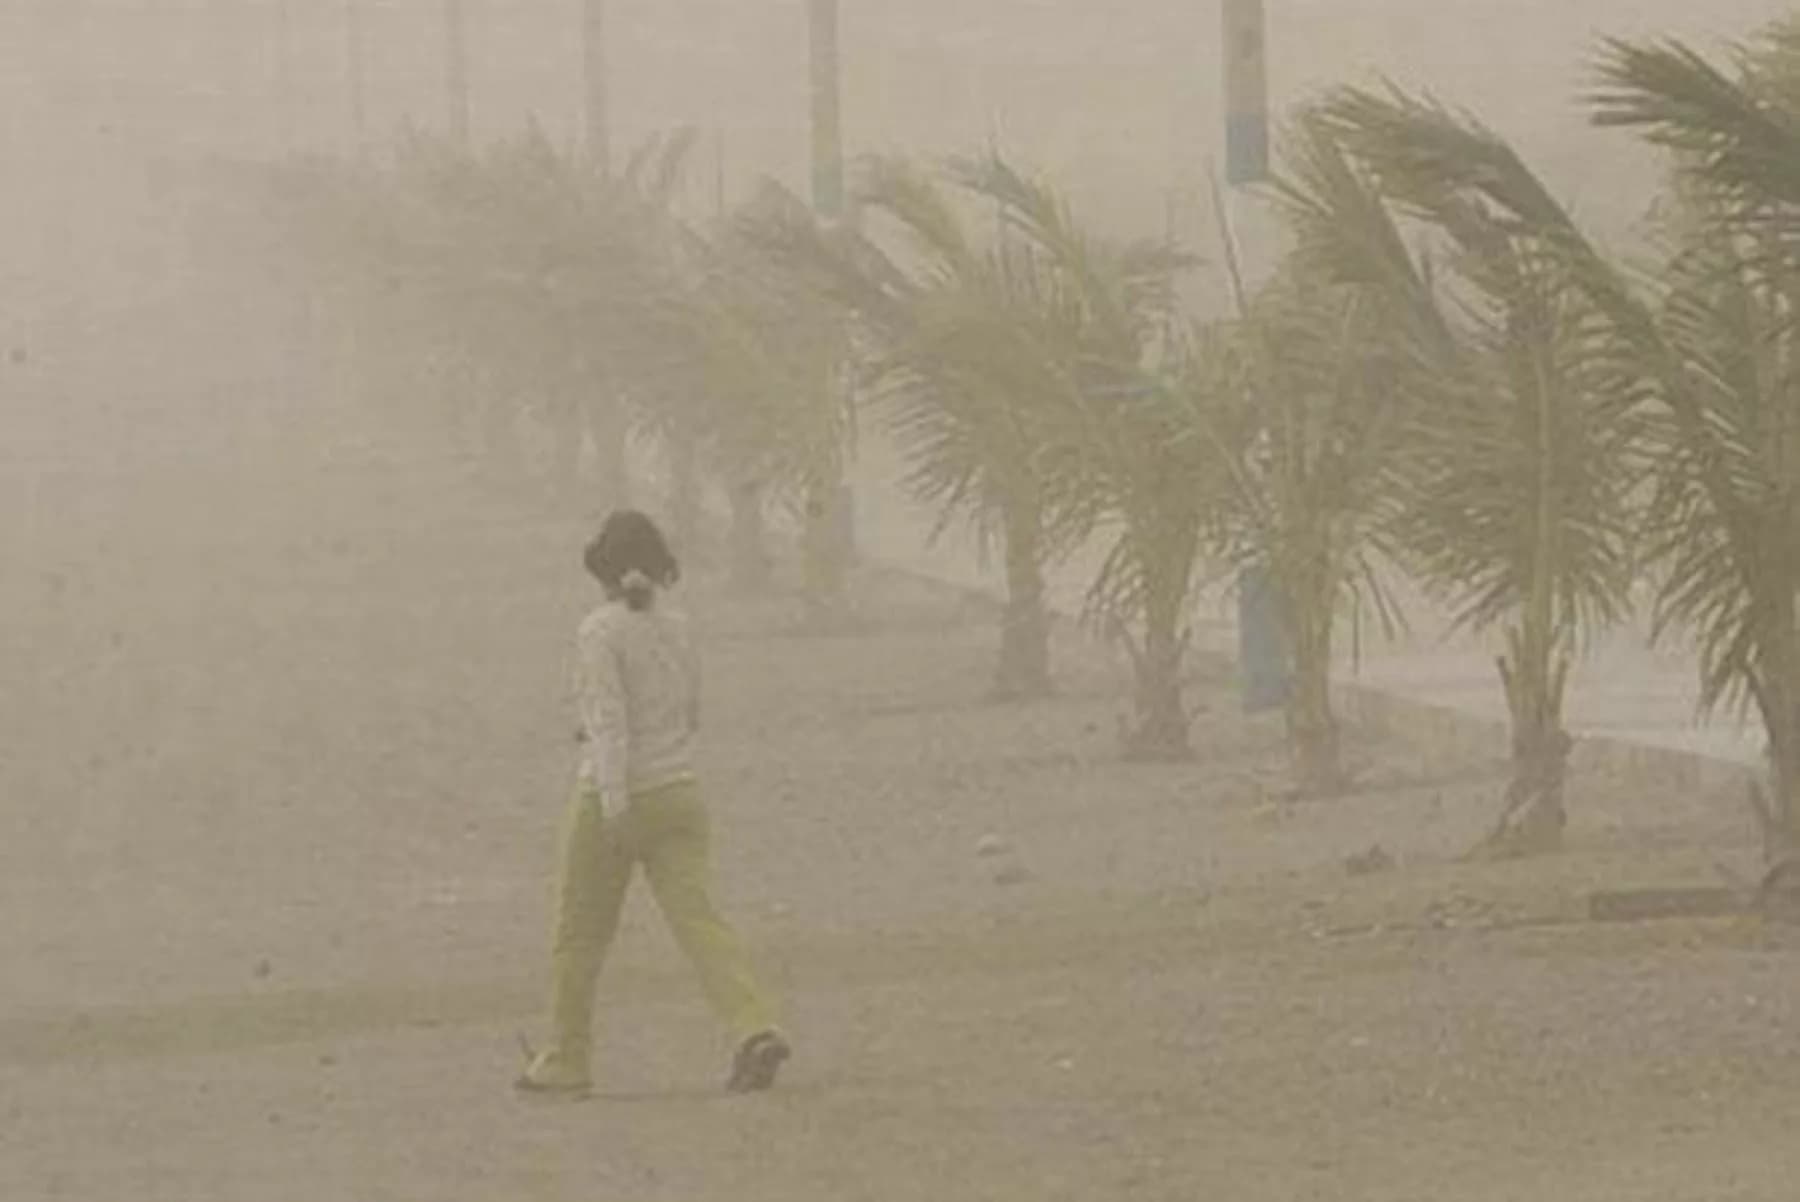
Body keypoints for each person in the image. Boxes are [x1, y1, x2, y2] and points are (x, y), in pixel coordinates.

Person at [515, 509, 790, 1097]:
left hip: (616, 796)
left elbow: (611, 724)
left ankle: (566, 1057)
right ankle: (753, 1025)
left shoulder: (598, 631)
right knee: (701, 924)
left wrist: (615, 804)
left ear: (604, 571)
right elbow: (689, 709)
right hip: (681, 791)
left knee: (580, 934)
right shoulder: (679, 625)